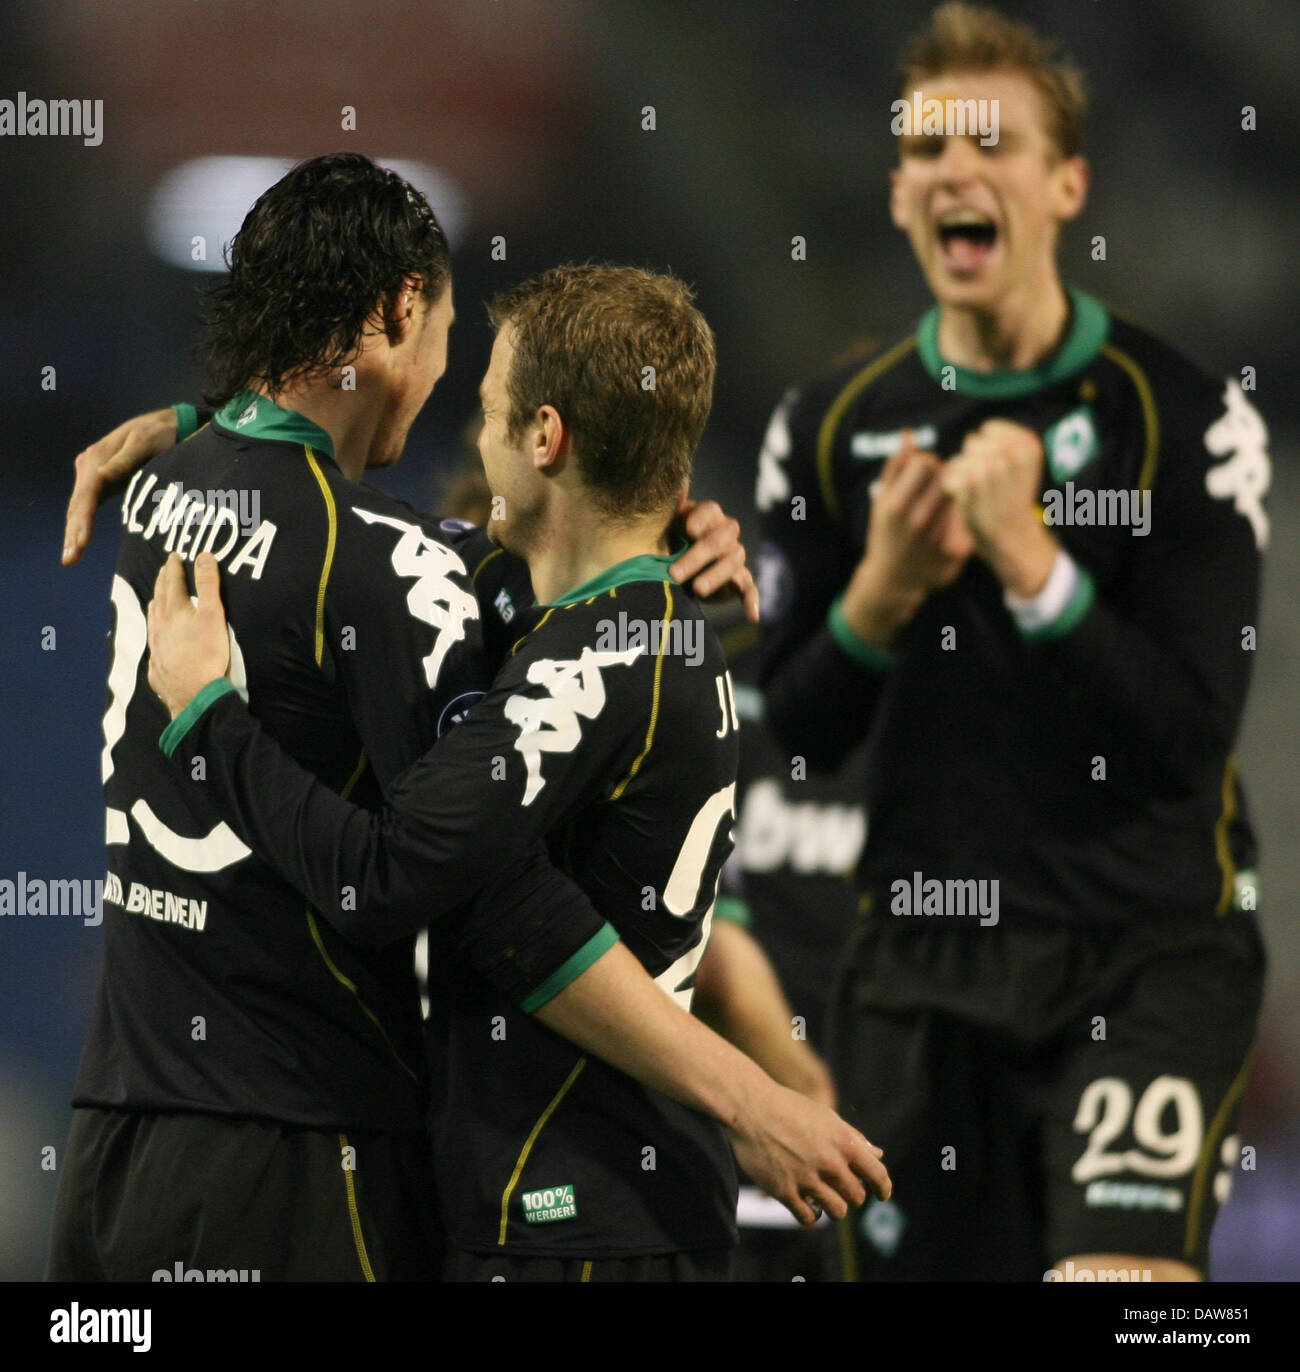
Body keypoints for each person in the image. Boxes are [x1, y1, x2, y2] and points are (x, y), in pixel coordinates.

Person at [50, 155, 881, 1283]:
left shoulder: (160, 489)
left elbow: (440, 581)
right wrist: (746, 1091)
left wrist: (198, 428)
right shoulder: (400, 570)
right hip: (302, 1146)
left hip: (120, 1125)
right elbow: (476, 892)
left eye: (491, 406)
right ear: (397, 312)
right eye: (453, 352)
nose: (456, 404)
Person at [756, 3, 1269, 1282]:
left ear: (1063, 183)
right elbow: (801, 726)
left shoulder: (1186, 423)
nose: (957, 171)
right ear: (894, 194)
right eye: (928, 150)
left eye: (991, 142)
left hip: (1141, 956)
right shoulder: (826, 430)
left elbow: (1183, 741)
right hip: (917, 974)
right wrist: (879, 592)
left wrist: (1032, 563)